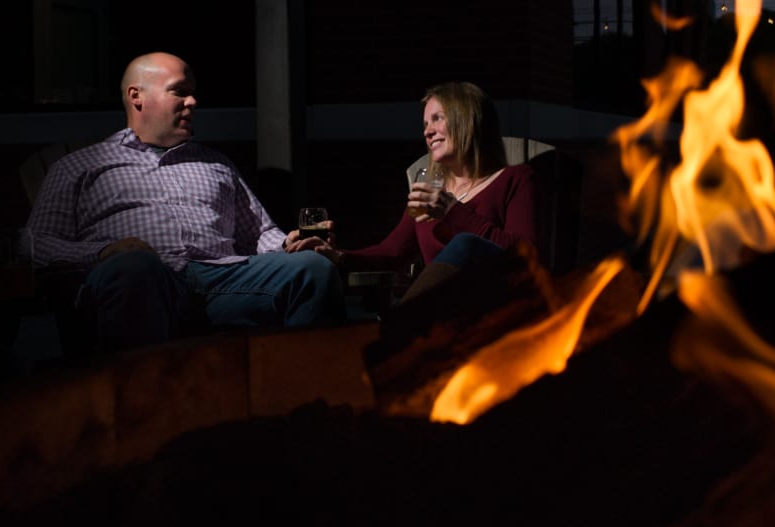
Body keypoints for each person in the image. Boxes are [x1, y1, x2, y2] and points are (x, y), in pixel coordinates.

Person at [27, 51, 346, 353]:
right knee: (135, 268)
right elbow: (34, 245)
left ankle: (301, 400)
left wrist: (288, 243)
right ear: (136, 97)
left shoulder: (216, 163)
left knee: (312, 269)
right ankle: (145, 404)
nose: (193, 102)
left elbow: (259, 233)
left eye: (193, 93)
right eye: (179, 92)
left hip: (223, 280)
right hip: (142, 281)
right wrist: (102, 253)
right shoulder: (78, 166)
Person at [286, 80, 541, 303]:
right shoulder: (430, 194)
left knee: (465, 244)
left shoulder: (515, 179)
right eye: (425, 123)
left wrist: (453, 212)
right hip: (441, 315)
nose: (427, 131)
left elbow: (525, 252)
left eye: (437, 118)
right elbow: (391, 253)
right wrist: (338, 256)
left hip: (496, 306)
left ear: (468, 119)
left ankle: (399, 324)